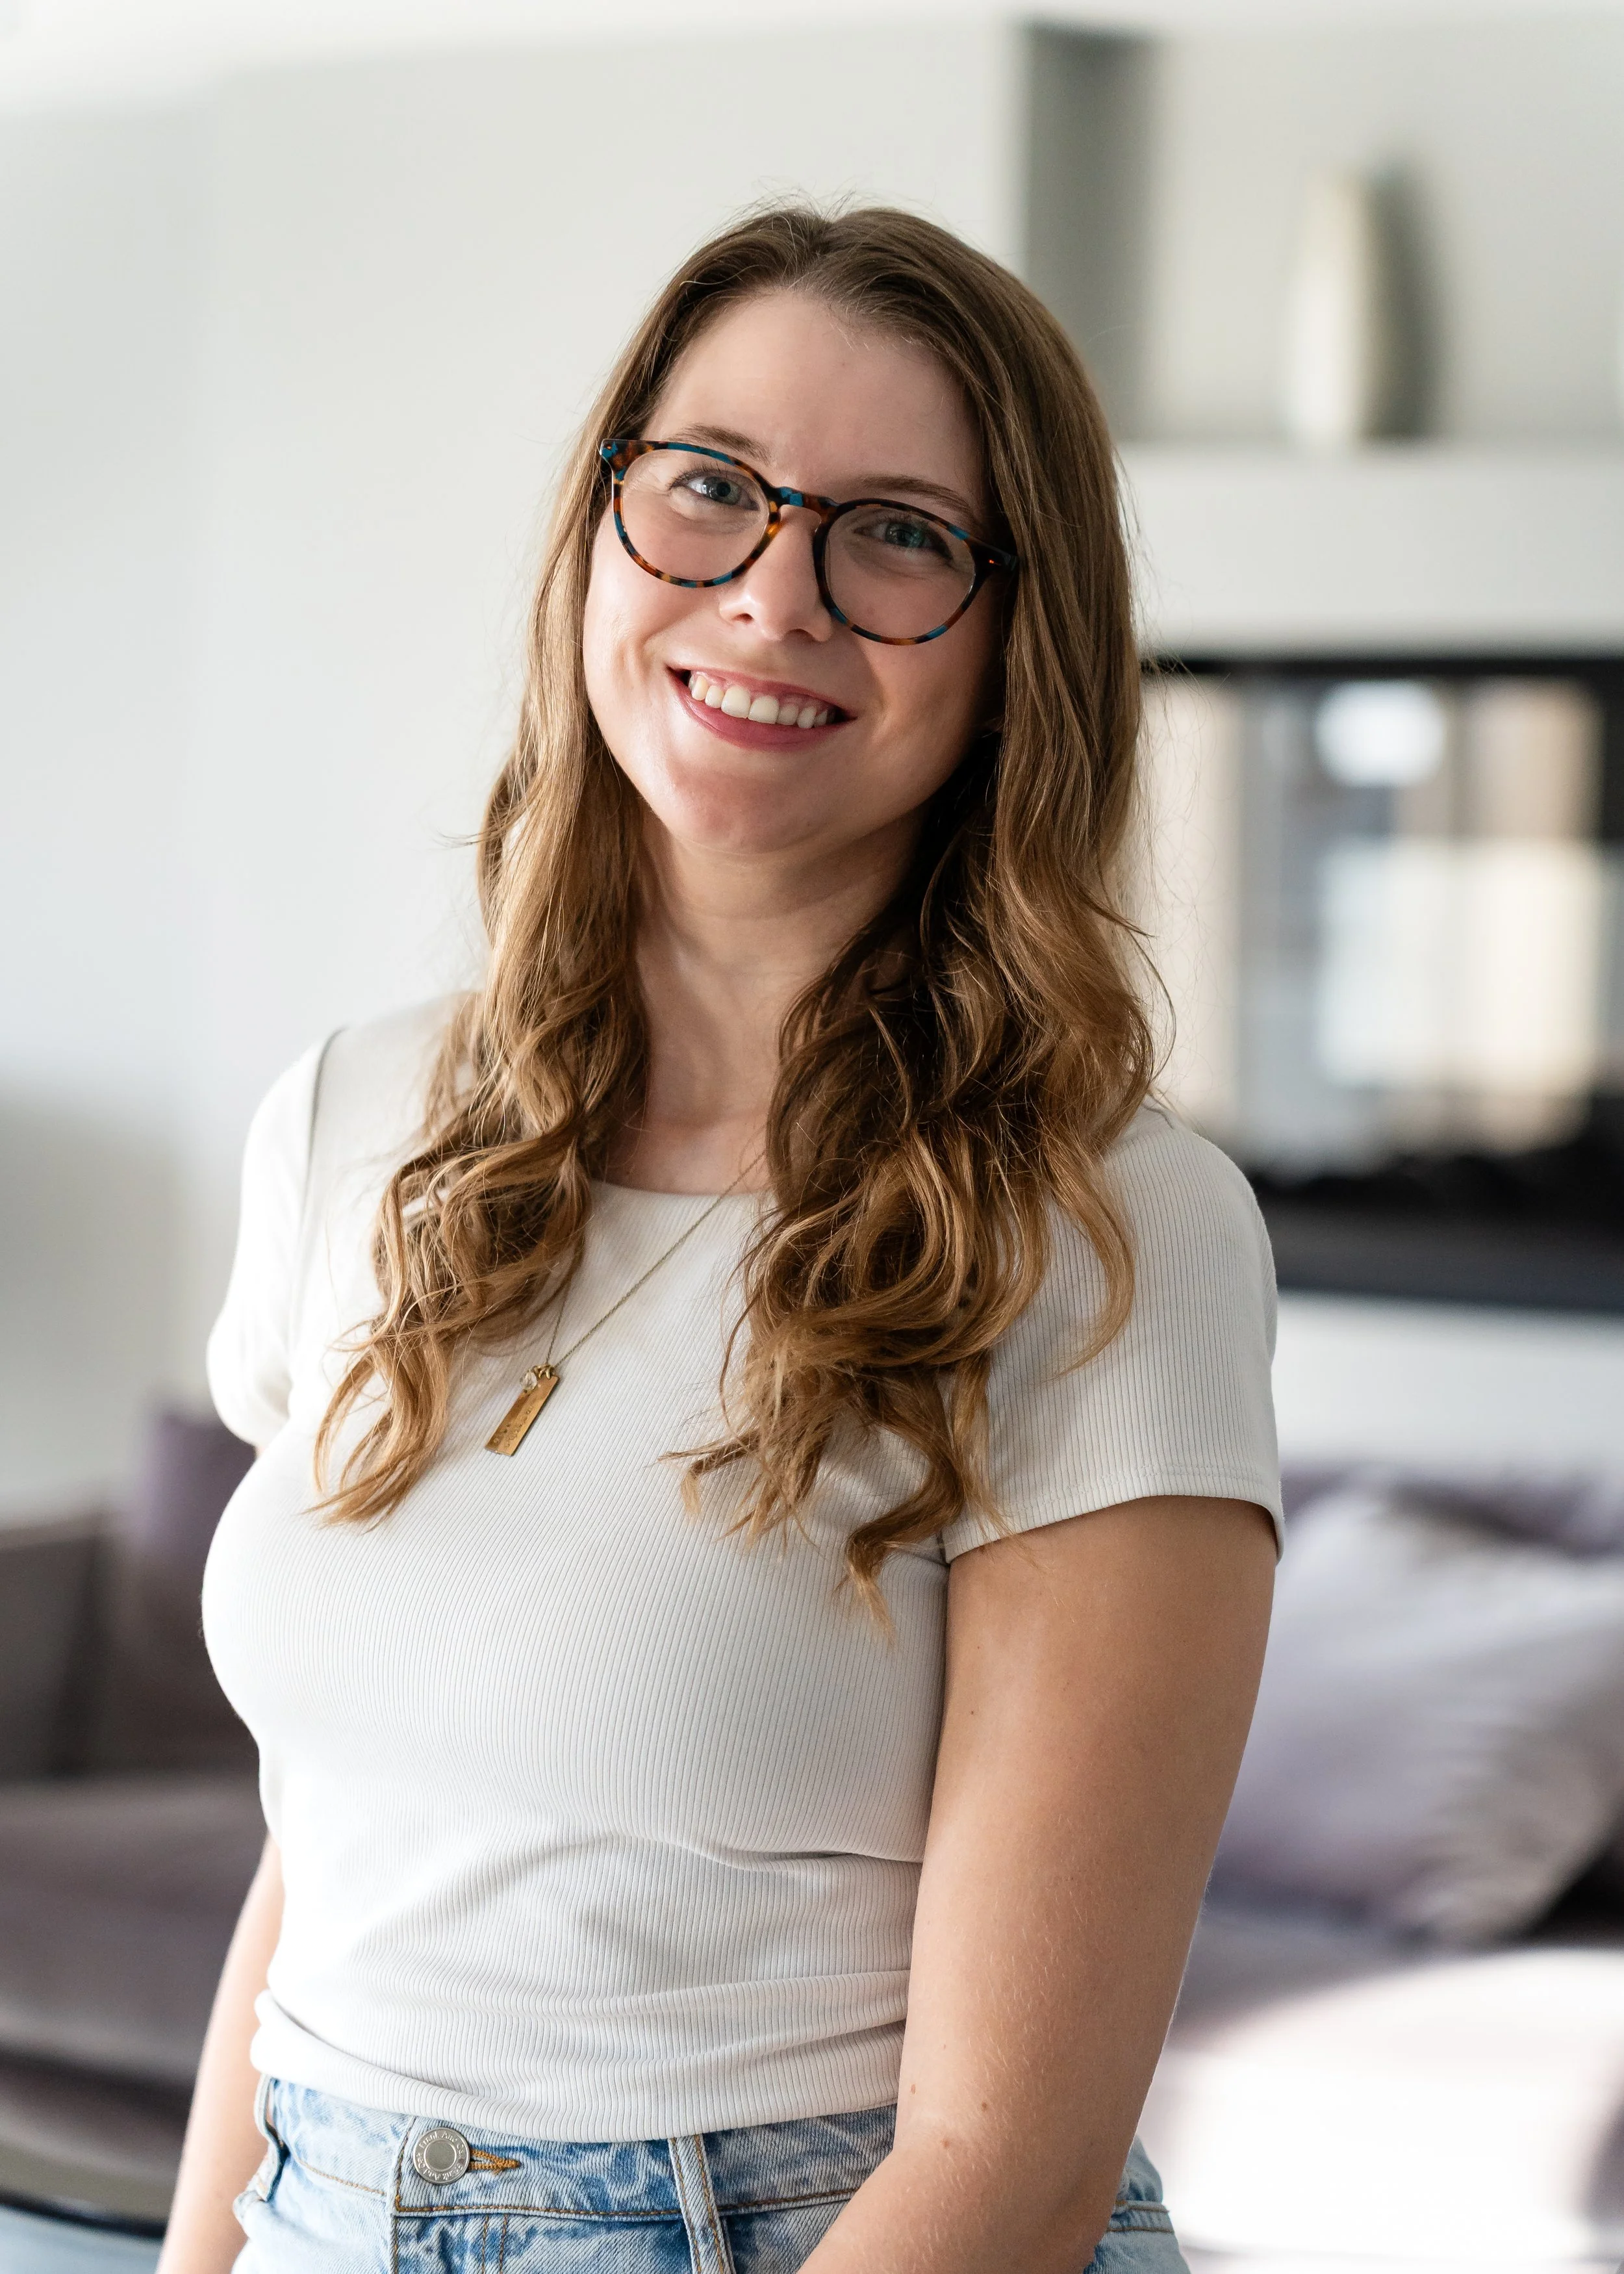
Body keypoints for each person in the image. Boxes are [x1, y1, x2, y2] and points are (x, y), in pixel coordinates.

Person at [161, 205, 1279, 2274]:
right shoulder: (356, 1120)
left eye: (897, 535)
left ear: (1013, 631)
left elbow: (1006, 2168)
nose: (774, 595)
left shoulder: (1108, 1227)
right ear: (601, 530)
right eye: (709, 490)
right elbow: (342, 1852)